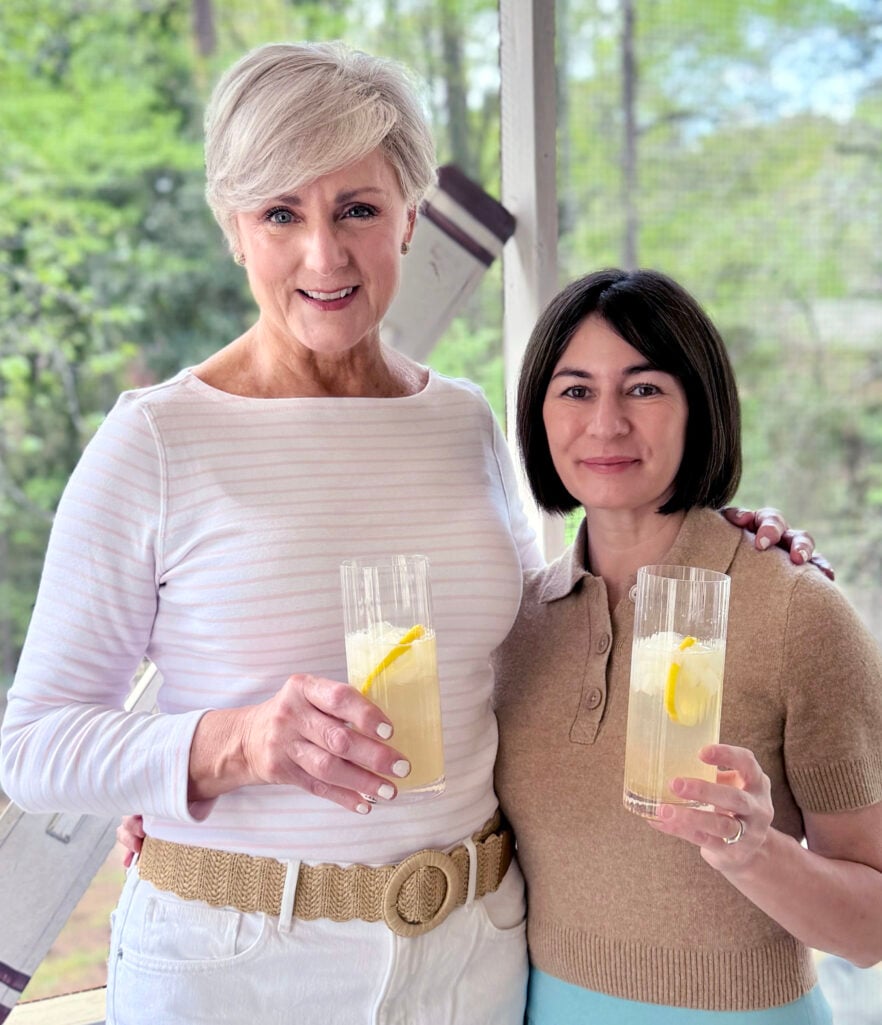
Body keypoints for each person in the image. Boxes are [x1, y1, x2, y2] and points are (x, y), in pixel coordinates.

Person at [0, 42, 822, 1025]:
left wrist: (703, 534)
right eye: (280, 214)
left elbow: (529, 645)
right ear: (234, 229)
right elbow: (36, 745)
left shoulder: (463, 418)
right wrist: (231, 742)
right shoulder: (160, 439)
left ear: (411, 216)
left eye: (357, 208)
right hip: (237, 965)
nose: (324, 255)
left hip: (472, 953)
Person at [492, 267, 882, 1024]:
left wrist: (751, 851)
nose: (605, 424)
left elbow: (872, 929)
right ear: (538, 416)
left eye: (644, 389)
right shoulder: (517, 626)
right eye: (575, 390)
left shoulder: (799, 612)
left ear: (697, 409)